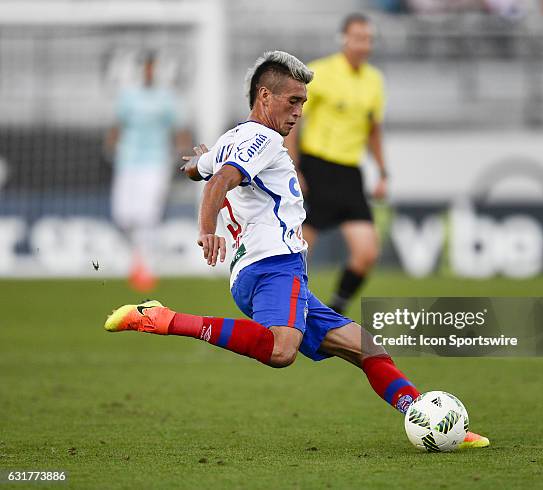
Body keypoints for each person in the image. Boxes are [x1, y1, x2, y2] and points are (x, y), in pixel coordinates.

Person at [103, 50, 489, 449]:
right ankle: (163, 318)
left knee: (368, 349)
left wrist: (198, 162)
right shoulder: (261, 138)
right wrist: (207, 229)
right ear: (264, 96)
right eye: (293, 101)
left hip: (273, 272)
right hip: (272, 266)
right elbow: (219, 182)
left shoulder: (231, 140)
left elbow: (198, 171)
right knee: (281, 350)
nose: (300, 111)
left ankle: (434, 423)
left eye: (303, 102)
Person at [285, 13, 387, 315]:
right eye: (358, 38)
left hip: (350, 173)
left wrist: (382, 172)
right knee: (298, 252)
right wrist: (294, 166)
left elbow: (373, 130)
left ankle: (334, 310)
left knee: (367, 253)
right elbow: (293, 122)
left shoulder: (374, 81)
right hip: (317, 167)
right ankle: (288, 311)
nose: (363, 45)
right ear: (344, 39)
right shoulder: (320, 73)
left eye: (368, 39)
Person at [106, 51, 191, 291]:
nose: (149, 72)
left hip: (155, 161)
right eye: (146, 67)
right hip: (127, 160)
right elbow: (117, 126)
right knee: (123, 215)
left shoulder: (167, 98)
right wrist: (110, 149)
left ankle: (145, 266)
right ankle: (138, 259)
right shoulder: (128, 96)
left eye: (153, 68)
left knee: (147, 214)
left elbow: (179, 128)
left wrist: (183, 156)